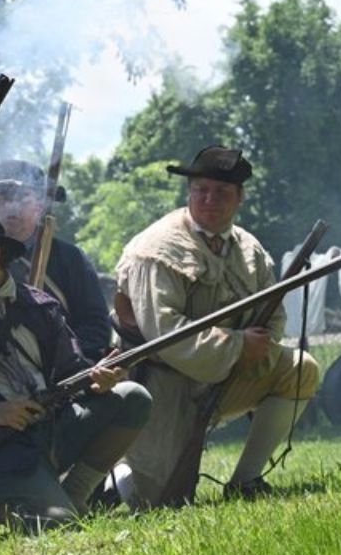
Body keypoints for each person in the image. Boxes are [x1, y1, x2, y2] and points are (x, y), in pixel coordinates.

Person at [0, 210, 152, 539]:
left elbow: (71, 370)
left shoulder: (39, 306)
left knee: (132, 398)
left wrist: (96, 381)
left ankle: (75, 494)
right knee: (58, 527)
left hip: (50, 428)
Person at [112, 146, 321, 507]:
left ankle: (246, 481)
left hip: (225, 373)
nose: (210, 199)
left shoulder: (250, 249)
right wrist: (237, 346)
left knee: (300, 368)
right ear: (189, 192)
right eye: (201, 190)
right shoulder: (155, 249)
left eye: (222, 192)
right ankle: (112, 473)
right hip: (161, 384)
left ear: (239, 197)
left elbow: (272, 313)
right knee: (158, 503)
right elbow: (164, 332)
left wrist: (260, 346)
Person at [0, 159, 112, 359]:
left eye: (22, 197)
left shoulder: (70, 259)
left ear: (40, 206)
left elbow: (96, 327)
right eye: (4, 196)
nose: (12, 206)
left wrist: (61, 360)